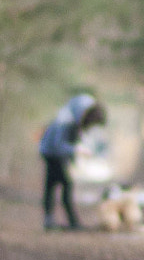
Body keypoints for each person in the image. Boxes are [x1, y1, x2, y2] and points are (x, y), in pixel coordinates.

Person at [38, 93, 105, 230]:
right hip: (52, 154)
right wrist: (76, 150)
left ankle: (53, 220)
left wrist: (74, 158)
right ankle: (68, 222)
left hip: (54, 154)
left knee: (55, 185)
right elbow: (58, 145)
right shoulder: (66, 121)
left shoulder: (73, 118)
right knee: (62, 185)